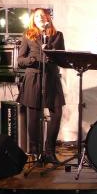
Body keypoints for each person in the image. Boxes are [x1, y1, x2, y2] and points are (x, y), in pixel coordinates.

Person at [16, 8, 65, 164]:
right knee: (34, 116)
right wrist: (32, 59)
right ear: (33, 20)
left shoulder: (57, 35)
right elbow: (20, 60)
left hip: (51, 78)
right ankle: (35, 152)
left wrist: (52, 54)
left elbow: (62, 58)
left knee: (56, 113)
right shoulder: (28, 35)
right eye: (37, 16)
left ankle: (49, 151)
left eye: (43, 15)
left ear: (48, 18)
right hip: (34, 77)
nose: (41, 18)